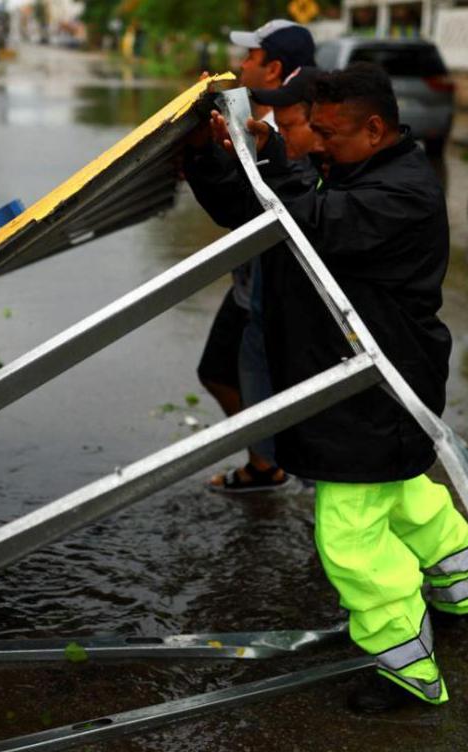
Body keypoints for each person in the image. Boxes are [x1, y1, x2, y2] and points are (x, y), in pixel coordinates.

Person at [186, 63, 468, 712]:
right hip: (366, 386)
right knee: (408, 496)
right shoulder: (350, 171)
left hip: (376, 390)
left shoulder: (401, 193)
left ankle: (408, 674)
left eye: (326, 132)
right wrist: (216, 160)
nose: (314, 142)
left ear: (376, 129)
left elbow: (309, 221)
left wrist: (277, 155)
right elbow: (254, 212)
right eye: (311, 130)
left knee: (350, 541)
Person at [199, 19, 316, 493]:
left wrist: (205, 160)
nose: (241, 64)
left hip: (271, 287)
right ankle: (269, 460)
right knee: (221, 371)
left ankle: (284, 461)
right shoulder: (262, 114)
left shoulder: (293, 126)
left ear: (275, 67)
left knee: (243, 373)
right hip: (254, 281)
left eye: (251, 56)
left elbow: (252, 204)